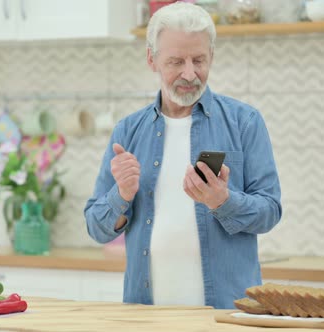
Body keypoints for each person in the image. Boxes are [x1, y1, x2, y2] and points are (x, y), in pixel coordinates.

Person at [84, 2, 282, 309]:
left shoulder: (244, 122)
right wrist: (121, 194)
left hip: (226, 315)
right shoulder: (128, 131)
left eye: (199, 60)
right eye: (176, 61)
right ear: (152, 59)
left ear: (212, 57)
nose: (190, 74)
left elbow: (270, 210)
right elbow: (96, 227)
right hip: (145, 314)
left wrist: (223, 201)